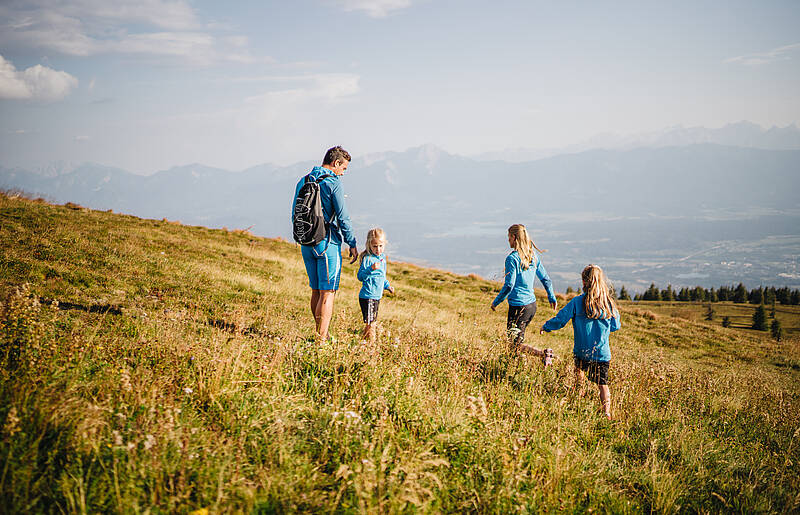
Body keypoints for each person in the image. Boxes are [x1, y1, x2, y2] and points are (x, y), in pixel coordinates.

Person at [291, 146, 358, 342]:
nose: (343, 173)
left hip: (306, 242)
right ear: (336, 163)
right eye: (343, 169)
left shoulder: (303, 180)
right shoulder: (333, 183)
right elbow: (343, 217)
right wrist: (351, 242)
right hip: (327, 242)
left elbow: (295, 212)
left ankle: (319, 332)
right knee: (328, 292)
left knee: (315, 290)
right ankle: (321, 339)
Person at [539, 264, 620, 419]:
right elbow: (616, 326)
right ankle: (607, 412)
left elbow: (561, 319)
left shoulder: (577, 302)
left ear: (584, 282)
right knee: (603, 383)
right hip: (602, 353)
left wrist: (546, 326)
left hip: (582, 350)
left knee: (580, 374)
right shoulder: (608, 303)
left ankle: (578, 399)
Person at [490, 224, 557, 364]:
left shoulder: (512, 259)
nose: (508, 240)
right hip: (531, 306)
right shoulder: (533, 256)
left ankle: (544, 354)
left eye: (509, 237)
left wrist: (496, 302)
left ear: (514, 237)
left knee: (513, 345)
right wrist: (551, 296)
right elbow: (545, 278)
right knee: (517, 342)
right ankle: (521, 365)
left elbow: (509, 284)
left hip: (518, 307)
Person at [356, 228, 394, 342]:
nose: (378, 249)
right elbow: (360, 276)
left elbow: (382, 276)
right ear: (369, 245)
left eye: (381, 246)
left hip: (377, 296)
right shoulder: (367, 259)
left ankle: (362, 343)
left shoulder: (382, 259)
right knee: (372, 323)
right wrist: (370, 269)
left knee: (370, 323)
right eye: (375, 246)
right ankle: (372, 346)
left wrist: (387, 286)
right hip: (368, 296)